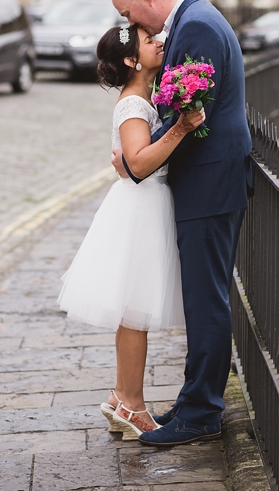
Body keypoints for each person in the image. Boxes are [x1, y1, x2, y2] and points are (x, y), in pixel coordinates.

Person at [110, 0, 253, 447]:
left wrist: (136, 159)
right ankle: (195, 400)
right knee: (202, 298)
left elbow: (191, 118)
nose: (137, 29)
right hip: (209, 182)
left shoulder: (195, 26)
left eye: (132, 15)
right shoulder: (199, 18)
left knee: (206, 301)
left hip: (210, 184)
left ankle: (202, 413)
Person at [57, 25, 205, 440]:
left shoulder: (146, 98)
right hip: (141, 208)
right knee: (135, 313)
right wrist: (181, 127)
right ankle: (132, 405)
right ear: (131, 60)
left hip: (144, 203)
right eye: (148, 40)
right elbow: (138, 164)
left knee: (132, 314)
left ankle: (122, 397)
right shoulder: (134, 105)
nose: (160, 42)